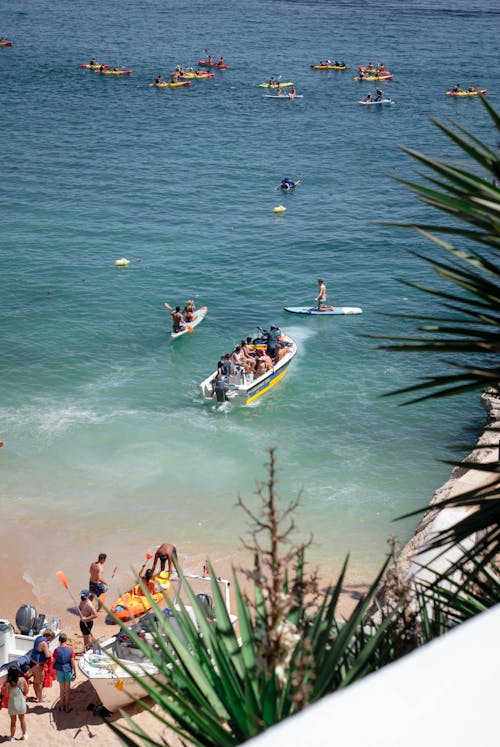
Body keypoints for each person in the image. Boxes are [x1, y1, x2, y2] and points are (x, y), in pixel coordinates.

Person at [29, 628, 55, 702]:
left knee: (35, 681)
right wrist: (51, 653)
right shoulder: (44, 643)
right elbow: (47, 655)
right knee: (39, 682)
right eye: (50, 639)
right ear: (49, 636)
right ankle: (40, 699)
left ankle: (38, 696)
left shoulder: (38, 638)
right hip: (38, 665)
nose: (49, 641)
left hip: (32, 662)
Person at [53, 633, 76, 713]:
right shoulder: (70, 650)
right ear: (66, 640)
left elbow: (54, 662)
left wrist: (54, 671)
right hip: (68, 670)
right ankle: (66, 707)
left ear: (59, 641)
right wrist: (75, 672)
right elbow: (73, 663)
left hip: (59, 671)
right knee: (67, 690)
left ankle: (61, 707)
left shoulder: (56, 650)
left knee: (61, 690)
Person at [4, 666, 29, 740]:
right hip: (21, 703)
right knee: (22, 720)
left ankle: (12, 737)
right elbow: (26, 691)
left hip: (12, 704)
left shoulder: (8, 684)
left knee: (13, 722)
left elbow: (6, 695)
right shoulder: (23, 680)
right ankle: (24, 735)